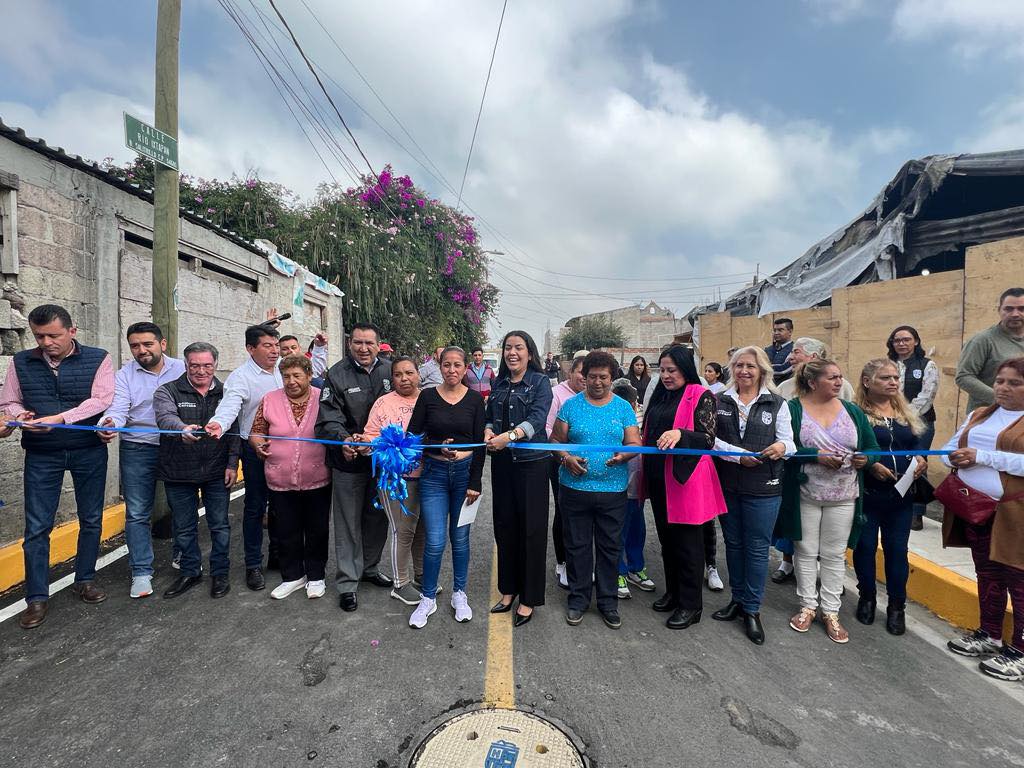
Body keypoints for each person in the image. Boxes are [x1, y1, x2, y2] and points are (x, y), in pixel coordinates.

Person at [0, 304, 115, 629]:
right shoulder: (21, 361)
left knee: (91, 518)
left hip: (87, 450)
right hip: (41, 452)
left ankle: (85, 579)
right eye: (39, 336)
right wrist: (18, 415)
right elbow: (9, 399)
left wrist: (62, 418)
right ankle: (36, 598)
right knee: (37, 527)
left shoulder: (99, 358)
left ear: (72, 331)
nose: (46, 342)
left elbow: (101, 399)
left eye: (53, 335)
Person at [777, 358, 879, 644]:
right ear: (812, 382)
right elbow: (787, 447)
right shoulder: (794, 408)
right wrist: (815, 455)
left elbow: (872, 448)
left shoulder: (852, 411)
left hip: (845, 495)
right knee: (806, 551)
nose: (838, 382)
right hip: (805, 494)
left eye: (840, 377)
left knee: (834, 555)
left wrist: (866, 459)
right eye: (832, 377)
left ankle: (831, 611)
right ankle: (807, 606)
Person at [942, 357, 1024, 681]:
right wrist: (953, 454)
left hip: (1014, 514)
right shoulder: (980, 414)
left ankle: (1019, 650)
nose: (1003, 388)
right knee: (988, 574)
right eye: (1000, 381)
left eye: (1014, 383)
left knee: (1018, 580)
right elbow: (953, 444)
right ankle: (989, 634)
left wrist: (982, 456)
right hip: (976, 508)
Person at [710, 346, 794, 645]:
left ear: (762, 371)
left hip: (764, 487)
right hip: (728, 484)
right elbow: (711, 440)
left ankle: (752, 609)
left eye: (751, 366)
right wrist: (738, 456)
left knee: (757, 548)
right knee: (733, 544)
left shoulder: (777, 403)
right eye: (739, 365)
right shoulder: (720, 401)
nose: (744, 371)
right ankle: (737, 598)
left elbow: (789, 442)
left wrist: (782, 448)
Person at [550, 352, 640, 629]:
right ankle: (578, 600)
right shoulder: (571, 406)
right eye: (592, 377)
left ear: (612, 378)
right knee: (577, 547)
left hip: (612, 491)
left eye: (604, 377)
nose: (597, 382)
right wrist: (567, 458)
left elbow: (634, 443)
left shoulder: (623, 408)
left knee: (609, 547)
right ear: (583, 377)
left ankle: (607, 602)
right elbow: (556, 440)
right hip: (574, 490)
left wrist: (623, 456)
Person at [98, 321, 185, 599]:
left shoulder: (182, 369)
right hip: (138, 448)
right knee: (137, 512)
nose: (141, 350)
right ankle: (141, 572)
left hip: (176, 447)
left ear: (162, 344)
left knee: (182, 505)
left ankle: (184, 556)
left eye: (147, 344)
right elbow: (118, 409)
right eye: (135, 345)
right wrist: (109, 422)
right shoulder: (124, 375)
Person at [642, 345, 726, 630]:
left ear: (685, 369)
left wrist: (680, 434)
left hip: (686, 479)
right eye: (662, 370)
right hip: (658, 478)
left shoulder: (700, 395)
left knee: (688, 544)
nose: (666, 375)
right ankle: (674, 593)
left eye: (672, 370)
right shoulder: (660, 395)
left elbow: (708, 438)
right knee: (668, 541)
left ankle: (691, 605)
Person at [315, 323, 394, 612]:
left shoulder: (390, 372)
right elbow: (328, 418)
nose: (363, 348)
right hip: (348, 462)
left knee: (377, 518)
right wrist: (344, 440)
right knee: (348, 523)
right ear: (350, 344)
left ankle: (370, 568)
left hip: (382, 462)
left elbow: (404, 406)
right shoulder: (335, 374)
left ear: (378, 344)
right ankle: (348, 582)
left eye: (369, 343)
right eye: (358, 343)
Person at [153, 342, 240, 600]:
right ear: (186, 365)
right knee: (184, 526)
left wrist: (232, 464)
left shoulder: (228, 393)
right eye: (195, 365)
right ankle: (190, 571)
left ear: (215, 364)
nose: (201, 371)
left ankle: (220, 573)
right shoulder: (167, 391)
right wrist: (182, 429)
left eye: (207, 365)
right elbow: (164, 418)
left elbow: (234, 432)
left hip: (216, 471)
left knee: (220, 526)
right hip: (178, 471)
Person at [406, 346, 485, 628]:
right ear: (439, 366)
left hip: (465, 478)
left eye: (457, 365)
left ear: (465, 368)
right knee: (436, 540)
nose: (452, 370)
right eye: (446, 365)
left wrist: (475, 482)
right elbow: (412, 436)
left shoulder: (475, 400)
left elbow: (480, 445)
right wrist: (436, 445)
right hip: (434, 476)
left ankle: (459, 594)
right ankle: (427, 598)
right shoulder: (427, 397)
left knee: (460, 539)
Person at [852, 359, 928, 636]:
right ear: (867, 381)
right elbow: (852, 447)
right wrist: (871, 465)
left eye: (895, 377)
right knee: (865, 547)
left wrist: (921, 457)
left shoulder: (903, 411)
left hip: (902, 497)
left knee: (898, 551)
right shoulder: (856, 412)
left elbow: (916, 442)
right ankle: (867, 597)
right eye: (885, 378)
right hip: (869, 495)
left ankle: (897, 606)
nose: (893, 382)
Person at [205, 324, 281, 591]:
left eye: (276, 344)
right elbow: (229, 406)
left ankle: (278, 556)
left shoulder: (284, 370)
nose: (274, 350)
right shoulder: (241, 377)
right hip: (255, 449)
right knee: (255, 507)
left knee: (282, 507)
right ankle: (253, 565)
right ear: (250, 349)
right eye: (267, 346)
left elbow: (311, 376)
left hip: (286, 448)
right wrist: (218, 424)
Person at [249, 355, 331, 601]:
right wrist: (257, 444)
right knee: (286, 529)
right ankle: (292, 576)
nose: (291, 381)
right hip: (280, 477)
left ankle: (316, 576)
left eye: (297, 376)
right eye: (286, 376)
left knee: (317, 529)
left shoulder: (322, 398)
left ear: (308, 376)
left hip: (317, 475)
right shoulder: (270, 399)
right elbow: (256, 431)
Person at [486, 331, 554, 627]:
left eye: (518, 348)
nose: (512, 352)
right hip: (502, 465)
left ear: (529, 352)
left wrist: (510, 436)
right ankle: (508, 590)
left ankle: (529, 598)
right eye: (507, 348)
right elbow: (489, 416)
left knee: (531, 530)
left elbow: (538, 419)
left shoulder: (540, 382)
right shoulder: (498, 383)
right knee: (505, 527)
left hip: (531, 467)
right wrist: (489, 432)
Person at [362, 356, 427, 605]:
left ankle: (422, 577)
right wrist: (371, 445)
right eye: (398, 374)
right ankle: (400, 583)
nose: (404, 378)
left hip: (427, 478)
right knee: (404, 530)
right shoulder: (383, 403)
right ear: (392, 378)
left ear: (418, 374)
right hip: (395, 481)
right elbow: (370, 436)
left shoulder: (429, 400)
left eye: (409, 373)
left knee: (422, 529)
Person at [887, 325, 939, 530]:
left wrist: (905, 414)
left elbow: (928, 394)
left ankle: (917, 512)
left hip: (921, 422)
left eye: (906, 339)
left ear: (915, 341)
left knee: (918, 463)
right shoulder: (887, 365)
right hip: (891, 419)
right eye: (897, 340)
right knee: (895, 461)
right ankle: (895, 505)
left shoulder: (927, 365)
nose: (901, 343)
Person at [611, 379, 655, 600]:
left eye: (631, 404)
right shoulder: (611, 418)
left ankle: (636, 567)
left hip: (639, 488)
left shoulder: (643, 419)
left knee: (637, 528)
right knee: (619, 529)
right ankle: (618, 571)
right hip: (618, 486)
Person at [545, 356, 586, 590]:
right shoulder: (557, 394)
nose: (584, 378)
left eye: (587, 374)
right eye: (580, 372)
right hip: (560, 459)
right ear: (570, 372)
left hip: (588, 462)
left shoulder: (592, 396)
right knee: (564, 510)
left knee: (584, 513)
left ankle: (580, 561)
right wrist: (564, 452)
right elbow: (548, 428)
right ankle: (563, 562)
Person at [957, 288, 1024, 414]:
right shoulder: (983, 340)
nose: (1015, 314)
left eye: (1021, 309)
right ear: (999, 310)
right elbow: (963, 376)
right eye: (1009, 309)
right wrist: (1000, 397)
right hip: (988, 416)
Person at [775, 338, 854, 401]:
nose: (790, 358)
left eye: (796, 352)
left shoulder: (841, 386)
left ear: (813, 356)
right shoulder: (784, 387)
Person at [765, 317, 795, 382]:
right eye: (775, 330)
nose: (776, 333)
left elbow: (782, 370)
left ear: (790, 331)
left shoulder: (795, 350)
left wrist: (761, 369)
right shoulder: (767, 350)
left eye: (780, 330)